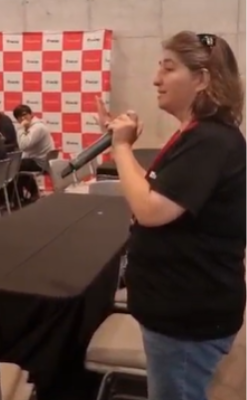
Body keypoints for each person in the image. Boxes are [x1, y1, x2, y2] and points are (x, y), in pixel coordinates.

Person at [104, 31, 245, 400]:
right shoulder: (197, 136)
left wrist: (119, 148)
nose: (155, 79)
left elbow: (150, 209)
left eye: (169, 69)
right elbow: (153, 194)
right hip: (180, 310)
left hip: (187, 320)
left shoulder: (210, 141)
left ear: (202, 79)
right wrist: (127, 147)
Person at [12, 104, 54, 172]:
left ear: (31, 114)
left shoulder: (38, 127)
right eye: (19, 117)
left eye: (24, 115)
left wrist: (21, 128)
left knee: (12, 167)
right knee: (13, 163)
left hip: (39, 163)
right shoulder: (31, 126)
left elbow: (23, 146)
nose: (23, 118)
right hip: (35, 160)